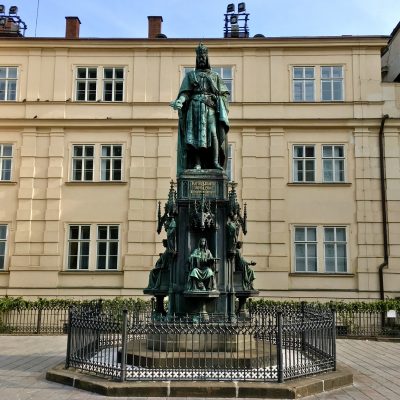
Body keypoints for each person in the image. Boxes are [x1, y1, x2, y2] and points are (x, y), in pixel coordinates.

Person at [170, 43, 230, 173]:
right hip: (194, 108)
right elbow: (185, 93)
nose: (201, 59)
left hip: (210, 108)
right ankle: (197, 163)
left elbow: (224, 95)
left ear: (207, 58)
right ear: (197, 59)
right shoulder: (190, 76)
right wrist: (180, 101)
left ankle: (215, 162)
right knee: (194, 136)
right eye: (199, 57)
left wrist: (215, 100)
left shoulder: (215, 76)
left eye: (203, 56)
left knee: (213, 133)